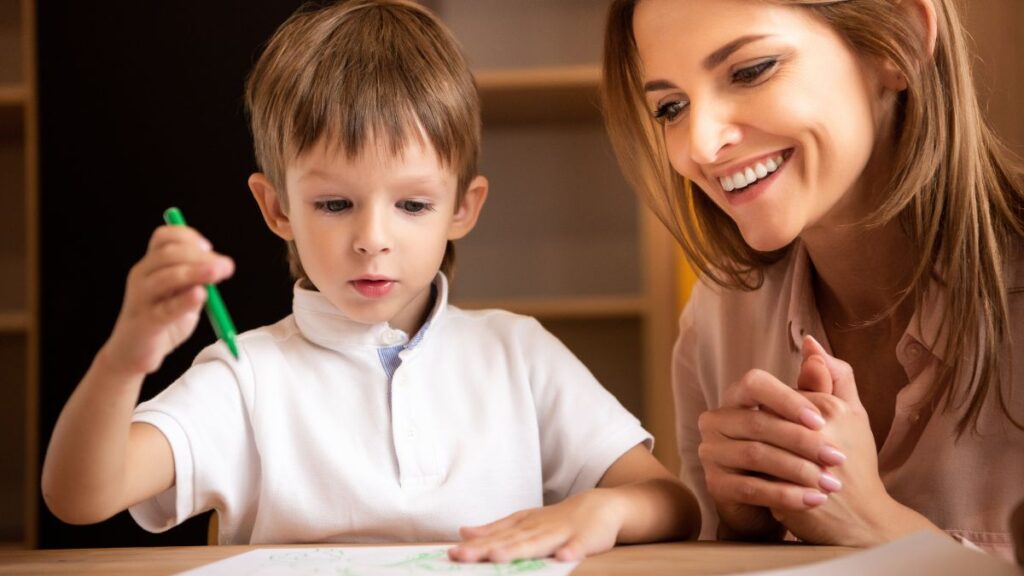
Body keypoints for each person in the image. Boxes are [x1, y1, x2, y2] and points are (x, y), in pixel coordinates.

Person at [41, 0, 701, 561]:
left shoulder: (517, 354)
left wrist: (604, 513)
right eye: (335, 204)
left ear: (462, 209)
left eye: (412, 205)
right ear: (278, 210)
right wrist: (125, 360)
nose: (373, 238)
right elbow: (79, 498)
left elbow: (673, 503)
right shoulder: (246, 375)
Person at [602, 0, 1024, 560]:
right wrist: (744, 533)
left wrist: (878, 526)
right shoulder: (718, 317)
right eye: (671, 107)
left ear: (896, 39)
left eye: (750, 71)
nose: (698, 146)